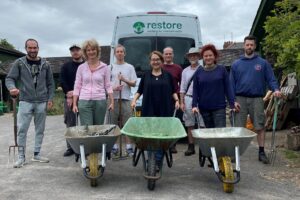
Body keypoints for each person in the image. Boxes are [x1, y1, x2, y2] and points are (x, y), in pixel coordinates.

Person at [230, 35, 281, 164]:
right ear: (244, 46)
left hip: (257, 99)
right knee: (238, 128)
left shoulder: (263, 63)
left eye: (251, 45)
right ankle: (235, 153)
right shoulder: (236, 64)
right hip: (240, 99)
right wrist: (232, 101)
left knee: (260, 126)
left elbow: (271, 79)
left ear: (255, 46)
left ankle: (262, 152)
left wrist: (276, 89)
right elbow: (231, 84)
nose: (249, 47)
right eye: (247, 45)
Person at [5, 38, 55, 168]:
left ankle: (37, 154)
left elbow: (51, 83)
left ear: (38, 48)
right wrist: (12, 88)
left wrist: (50, 99)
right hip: (25, 101)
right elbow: (10, 78)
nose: (32, 50)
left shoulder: (46, 64)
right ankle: (21, 157)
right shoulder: (19, 63)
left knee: (40, 129)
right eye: (30, 48)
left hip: (41, 101)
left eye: (35, 48)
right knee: (22, 130)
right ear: (26, 48)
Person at [131, 51, 180, 169]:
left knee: (161, 136)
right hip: (149, 110)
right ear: (150, 62)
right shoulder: (146, 75)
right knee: (150, 135)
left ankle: (157, 160)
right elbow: (140, 91)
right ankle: (152, 158)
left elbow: (173, 91)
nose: (155, 61)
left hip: (165, 110)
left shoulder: (168, 76)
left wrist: (177, 100)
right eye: (153, 59)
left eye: (157, 59)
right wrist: (134, 100)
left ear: (161, 61)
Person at [192, 44, 235, 128]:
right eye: (206, 56)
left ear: (214, 56)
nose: (208, 58)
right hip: (204, 109)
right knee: (210, 134)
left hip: (219, 108)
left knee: (220, 133)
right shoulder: (198, 72)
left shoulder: (221, 70)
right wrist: (194, 105)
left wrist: (232, 105)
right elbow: (195, 90)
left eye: (210, 55)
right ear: (203, 58)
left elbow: (228, 88)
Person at [73, 39, 113, 125]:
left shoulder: (105, 67)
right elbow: (77, 86)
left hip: (100, 101)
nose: (91, 52)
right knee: (87, 129)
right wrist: (74, 104)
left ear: (97, 51)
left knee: (98, 129)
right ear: (85, 52)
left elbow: (108, 85)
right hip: (84, 101)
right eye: (88, 50)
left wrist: (112, 102)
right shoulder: (81, 68)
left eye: (93, 49)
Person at [110, 44, 137, 156]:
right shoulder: (110, 67)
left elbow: (134, 83)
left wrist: (124, 80)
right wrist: (114, 88)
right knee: (113, 124)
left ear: (124, 54)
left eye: (122, 52)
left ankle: (129, 147)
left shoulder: (130, 67)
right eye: (118, 51)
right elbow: (106, 85)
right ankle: (114, 147)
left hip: (125, 99)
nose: (120, 53)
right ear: (115, 53)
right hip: (113, 99)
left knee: (127, 124)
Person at [180, 47, 205, 156]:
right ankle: (191, 146)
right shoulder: (185, 71)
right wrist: (182, 102)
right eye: (191, 55)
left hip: (202, 99)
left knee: (202, 124)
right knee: (189, 124)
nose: (193, 57)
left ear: (199, 57)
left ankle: (203, 147)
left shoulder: (204, 69)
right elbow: (182, 88)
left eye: (195, 55)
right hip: (188, 98)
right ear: (188, 57)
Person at [60, 44, 84, 157]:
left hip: (84, 97)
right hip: (69, 98)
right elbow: (62, 81)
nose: (75, 52)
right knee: (70, 123)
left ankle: (85, 145)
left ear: (81, 51)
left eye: (77, 50)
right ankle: (71, 147)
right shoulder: (66, 66)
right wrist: (69, 93)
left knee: (85, 123)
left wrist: (76, 93)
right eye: (73, 50)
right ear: (71, 53)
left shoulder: (86, 65)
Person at [162, 47, 183, 154]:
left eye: (170, 54)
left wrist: (178, 98)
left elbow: (181, 84)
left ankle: (173, 145)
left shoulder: (178, 68)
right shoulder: (159, 66)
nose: (168, 56)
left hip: (174, 100)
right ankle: (163, 143)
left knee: (174, 122)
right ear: (163, 55)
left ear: (173, 55)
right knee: (163, 121)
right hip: (162, 99)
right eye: (166, 54)